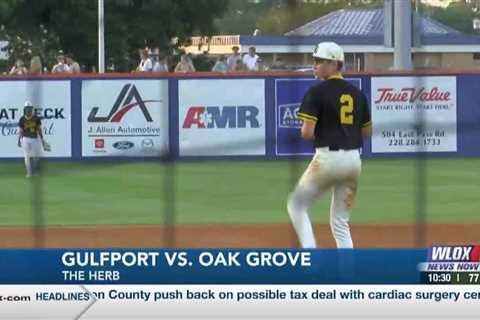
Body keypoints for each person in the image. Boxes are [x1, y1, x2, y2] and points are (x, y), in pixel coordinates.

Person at [286, 42, 372, 249]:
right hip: (353, 161)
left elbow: (307, 132)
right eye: (315, 61)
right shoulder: (357, 94)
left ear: (334, 63)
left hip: (328, 159)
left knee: (296, 206)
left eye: (320, 61)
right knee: (341, 223)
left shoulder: (316, 92)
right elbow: (367, 132)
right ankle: (348, 274)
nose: (314, 65)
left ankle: (310, 259)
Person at [18, 101, 49, 177]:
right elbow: (20, 130)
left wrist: (42, 139)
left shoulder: (36, 118)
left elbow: (39, 129)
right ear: (24, 109)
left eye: (29, 108)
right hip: (25, 139)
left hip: (34, 138)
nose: (28, 110)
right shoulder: (22, 119)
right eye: (27, 108)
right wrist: (18, 139)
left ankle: (34, 172)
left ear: (31, 109)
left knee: (36, 156)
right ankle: (29, 172)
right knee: (27, 156)